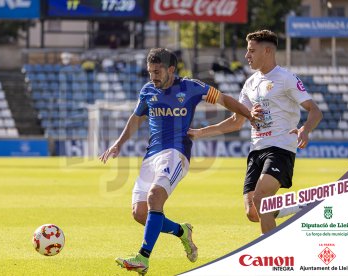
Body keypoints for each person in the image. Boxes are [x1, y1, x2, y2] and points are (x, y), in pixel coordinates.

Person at [99, 48, 261, 274]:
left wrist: (248, 115)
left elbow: (225, 100)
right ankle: (182, 231)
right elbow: (135, 119)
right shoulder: (147, 91)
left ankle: (142, 258)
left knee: (155, 197)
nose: (152, 76)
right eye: (149, 72)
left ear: (171, 70)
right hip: (151, 156)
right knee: (140, 213)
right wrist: (118, 144)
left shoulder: (192, 87)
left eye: (157, 71)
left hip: (177, 153)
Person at [188, 30, 323, 235]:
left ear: (267, 51)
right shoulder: (250, 83)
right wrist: (199, 132)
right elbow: (236, 121)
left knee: (261, 200)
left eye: (252, 50)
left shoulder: (285, 78)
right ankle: (302, 207)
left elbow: (315, 110)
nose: (246, 55)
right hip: (256, 150)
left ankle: (267, 255)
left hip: (280, 148)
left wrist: (305, 130)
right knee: (253, 211)